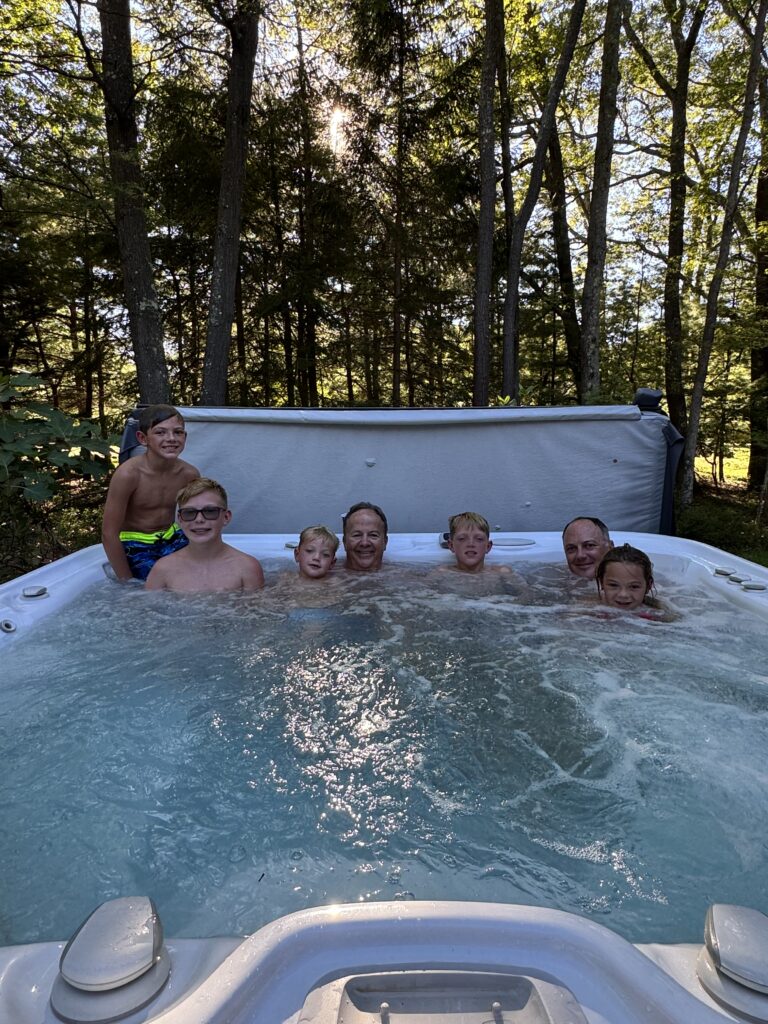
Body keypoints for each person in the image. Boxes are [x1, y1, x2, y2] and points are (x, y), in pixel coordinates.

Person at [102, 404, 200, 582]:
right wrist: (126, 581)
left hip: (173, 538)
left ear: (185, 437)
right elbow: (109, 532)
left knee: (205, 575)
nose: (171, 438)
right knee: (156, 584)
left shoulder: (189, 474)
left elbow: (196, 519)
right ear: (142, 438)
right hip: (137, 544)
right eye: (160, 432)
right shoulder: (129, 475)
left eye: (177, 432)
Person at [145, 478, 264, 592]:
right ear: (180, 520)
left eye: (210, 511)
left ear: (226, 517)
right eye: (189, 513)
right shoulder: (163, 569)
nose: (199, 519)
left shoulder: (247, 567)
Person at [595, 543, 671, 619]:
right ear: (602, 583)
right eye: (613, 585)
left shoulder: (658, 615)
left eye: (634, 586)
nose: (623, 595)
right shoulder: (590, 609)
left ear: (648, 586)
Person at [342, 501, 388, 572]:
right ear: (344, 542)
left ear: (385, 542)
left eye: (373, 535)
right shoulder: (327, 575)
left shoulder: (403, 577)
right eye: (357, 535)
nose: (364, 543)